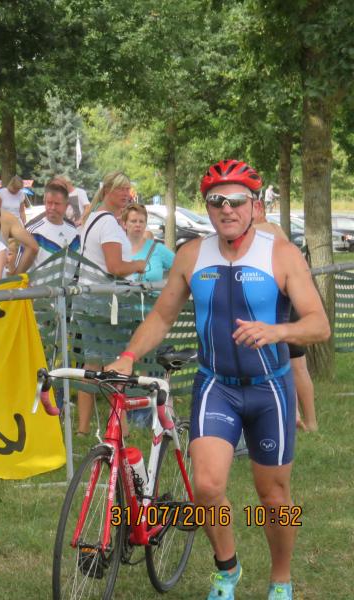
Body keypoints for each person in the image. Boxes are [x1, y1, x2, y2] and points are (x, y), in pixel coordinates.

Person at [104, 159, 330, 600]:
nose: (227, 209)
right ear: (207, 207)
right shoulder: (192, 255)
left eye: (236, 200)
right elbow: (162, 316)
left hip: (270, 389)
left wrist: (276, 332)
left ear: (254, 204)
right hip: (216, 386)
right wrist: (128, 356)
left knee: (274, 497)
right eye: (216, 201)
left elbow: (318, 324)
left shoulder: (281, 254)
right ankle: (227, 568)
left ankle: (281, 579)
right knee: (207, 487)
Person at [74, 171, 146, 435]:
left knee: (91, 365)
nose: (127, 194)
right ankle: (120, 429)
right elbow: (115, 267)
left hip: (87, 300)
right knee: (117, 365)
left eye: (128, 189)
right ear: (107, 191)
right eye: (121, 189)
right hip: (106, 303)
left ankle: (83, 429)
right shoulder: (109, 225)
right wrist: (138, 265)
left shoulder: (93, 218)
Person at [251, 197, 318, 433]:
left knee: (283, 366)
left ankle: (297, 417)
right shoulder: (276, 229)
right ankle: (308, 420)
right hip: (291, 304)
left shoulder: (260, 230)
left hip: (279, 308)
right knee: (297, 367)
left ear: (258, 208)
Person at [23, 176, 80, 269]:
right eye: (49, 203)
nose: (52, 207)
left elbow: (77, 266)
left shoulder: (74, 232)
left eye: (57, 204)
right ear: (44, 202)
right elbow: (20, 270)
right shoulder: (32, 231)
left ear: (66, 206)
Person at [121, 203, 175, 282]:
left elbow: (183, 268)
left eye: (141, 221)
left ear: (146, 224)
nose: (138, 225)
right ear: (124, 224)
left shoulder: (157, 248)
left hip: (154, 291)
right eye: (133, 221)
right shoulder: (116, 250)